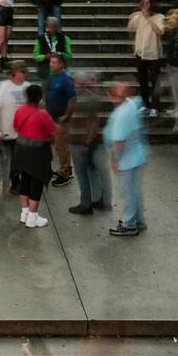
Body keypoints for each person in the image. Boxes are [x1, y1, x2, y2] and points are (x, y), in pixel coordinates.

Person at [103, 82, 148, 235]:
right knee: (134, 191)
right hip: (137, 155)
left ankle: (129, 224)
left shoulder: (122, 113)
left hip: (127, 159)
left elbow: (118, 142)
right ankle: (138, 220)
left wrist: (114, 160)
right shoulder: (131, 103)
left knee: (127, 192)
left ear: (112, 97)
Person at [11, 85, 59, 228]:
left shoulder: (19, 110)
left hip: (21, 149)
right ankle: (33, 217)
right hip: (38, 152)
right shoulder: (43, 114)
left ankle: (24, 213)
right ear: (39, 98)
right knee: (37, 181)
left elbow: (16, 127)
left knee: (24, 179)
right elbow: (52, 131)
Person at [64, 76, 109, 216]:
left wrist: (87, 143)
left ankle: (86, 203)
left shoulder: (89, 100)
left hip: (81, 143)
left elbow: (94, 123)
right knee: (90, 171)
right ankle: (97, 199)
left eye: (77, 82)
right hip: (78, 141)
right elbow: (68, 116)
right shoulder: (76, 99)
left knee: (82, 174)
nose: (75, 84)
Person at [0, 62, 30, 188]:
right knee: (11, 159)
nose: (25, 74)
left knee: (20, 159)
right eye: (23, 72)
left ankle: (16, 182)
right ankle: (13, 183)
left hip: (24, 132)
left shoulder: (28, 87)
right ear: (15, 73)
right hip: (8, 130)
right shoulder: (3, 87)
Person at [44, 52, 76, 186]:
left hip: (61, 119)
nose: (52, 64)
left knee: (61, 146)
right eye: (51, 62)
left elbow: (72, 98)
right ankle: (65, 168)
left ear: (61, 64)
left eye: (55, 62)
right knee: (58, 146)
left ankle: (65, 173)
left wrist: (66, 115)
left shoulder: (66, 78)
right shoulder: (53, 77)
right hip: (52, 116)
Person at [126, 0, 164, 109]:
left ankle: (155, 107)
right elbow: (129, 28)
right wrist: (134, 15)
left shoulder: (159, 17)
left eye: (148, 3)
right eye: (144, 2)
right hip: (140, 53)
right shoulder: (138, 16)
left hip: (154, 54)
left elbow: (160, 32)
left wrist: (148, 17)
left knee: (155, 82)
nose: (145, 5)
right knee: (143, 81)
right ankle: (145, 104)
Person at [31, 14, 72, 84]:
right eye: (49, 26)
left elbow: (69, 56)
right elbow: (35, 56)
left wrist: (59, 55)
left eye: (53, 26)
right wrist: (45, 57)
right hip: (45, 70)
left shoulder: (64, 38)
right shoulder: (41, 39)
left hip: (60, 70)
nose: (51, 28)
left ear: (56, 27)